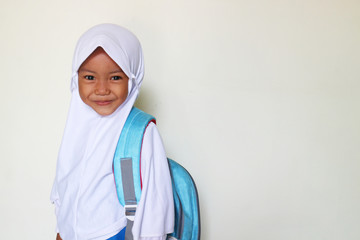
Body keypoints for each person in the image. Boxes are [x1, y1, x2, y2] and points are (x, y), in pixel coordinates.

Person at [50, 24, 174, 240]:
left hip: (112, 233)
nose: (102, 89)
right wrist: (61, 229)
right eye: (90, 77)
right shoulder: (78, 123)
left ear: (133, 78)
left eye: (115, 77)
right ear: (75, 77)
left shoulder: (139, 131)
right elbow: (65, 183)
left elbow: (154, 202)